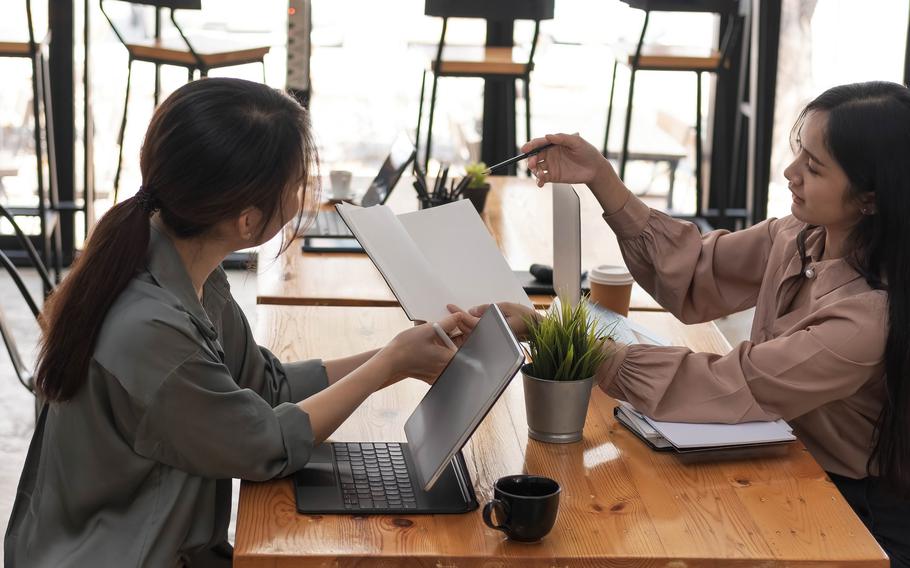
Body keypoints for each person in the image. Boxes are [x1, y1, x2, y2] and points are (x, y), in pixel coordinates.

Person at [4, 78, 474, 567]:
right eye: (295, 186)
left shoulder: (184, 268)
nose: (302, 199)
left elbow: (265, 387)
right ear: (247, 222)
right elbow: (263, 446)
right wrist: (387, 368)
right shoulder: (153, 329)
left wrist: (396, 352)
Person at [455, 81, 910, 565]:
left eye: (814, 168)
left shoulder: (866, 319)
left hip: (853, 514)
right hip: (783, 465)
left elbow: (728, 384)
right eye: (799, 153)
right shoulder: (799, 235)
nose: (790, 172)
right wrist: (601, 178)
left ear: (871, 198)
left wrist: (554, 335)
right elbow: (695, 271)